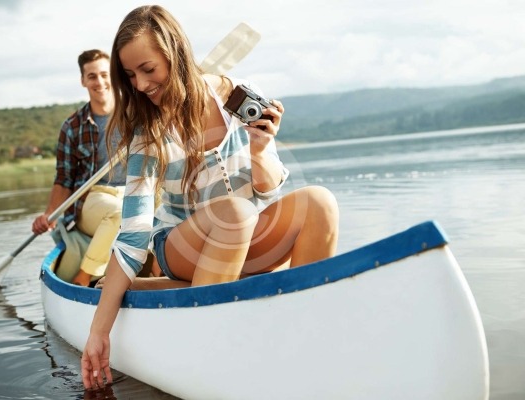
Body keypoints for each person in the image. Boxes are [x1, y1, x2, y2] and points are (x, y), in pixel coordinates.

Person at [81, 5, 339, 390]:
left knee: (318, 202)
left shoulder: (235, 98)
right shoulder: (146, 134)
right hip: (183, 245)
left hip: (244, 236)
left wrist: (260, 149)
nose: (140, 85)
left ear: (176, 54)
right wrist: (99, 331)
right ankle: (205, 353)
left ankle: (305, 335)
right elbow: (133, 236)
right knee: (233, 214)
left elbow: (270, 189)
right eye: (131, 76)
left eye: (148, 70)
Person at [32, 49, 127, 287]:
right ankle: (84, 276)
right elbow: (64, 178)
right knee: (117, 212)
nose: (100, 82)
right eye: (92, 76)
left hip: (133, 192)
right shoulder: (72, 126)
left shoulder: (134, 114)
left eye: (105, 74)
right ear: (83, 81)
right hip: (95, 199)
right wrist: (49, 215)